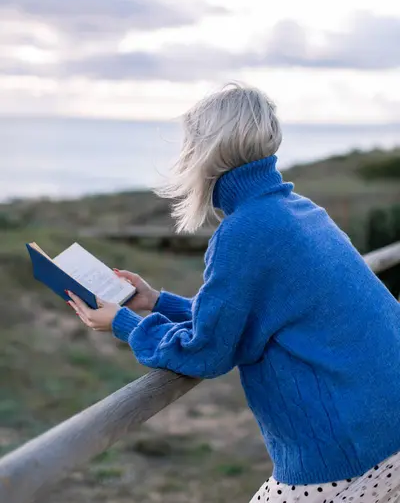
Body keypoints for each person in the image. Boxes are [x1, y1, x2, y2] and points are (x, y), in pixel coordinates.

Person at [68, 84, 400, 503]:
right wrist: (155, 303)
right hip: (387, 427)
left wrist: (123, 322)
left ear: (204, 152)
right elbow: (248, 318)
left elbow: (207, 351)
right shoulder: (300, 210)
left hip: (346, 452)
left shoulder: (244, 231)